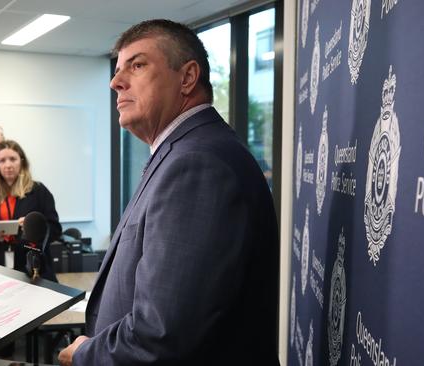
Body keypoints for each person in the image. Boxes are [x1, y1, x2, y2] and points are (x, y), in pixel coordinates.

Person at [59, 19, 279, 365]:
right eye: (118, 70)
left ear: (187, 78)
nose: (116, 82)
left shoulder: (198, 164)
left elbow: (162, 333)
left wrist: (87, 353)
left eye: (138, 65)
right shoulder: (181, 153)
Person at [0, 139, 61, 281]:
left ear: (22, 162)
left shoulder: (39, 191)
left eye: (13, 159)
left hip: (33, 266)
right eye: (2, 160)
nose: (8, 165)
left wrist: (33, 229)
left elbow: (55, 229)